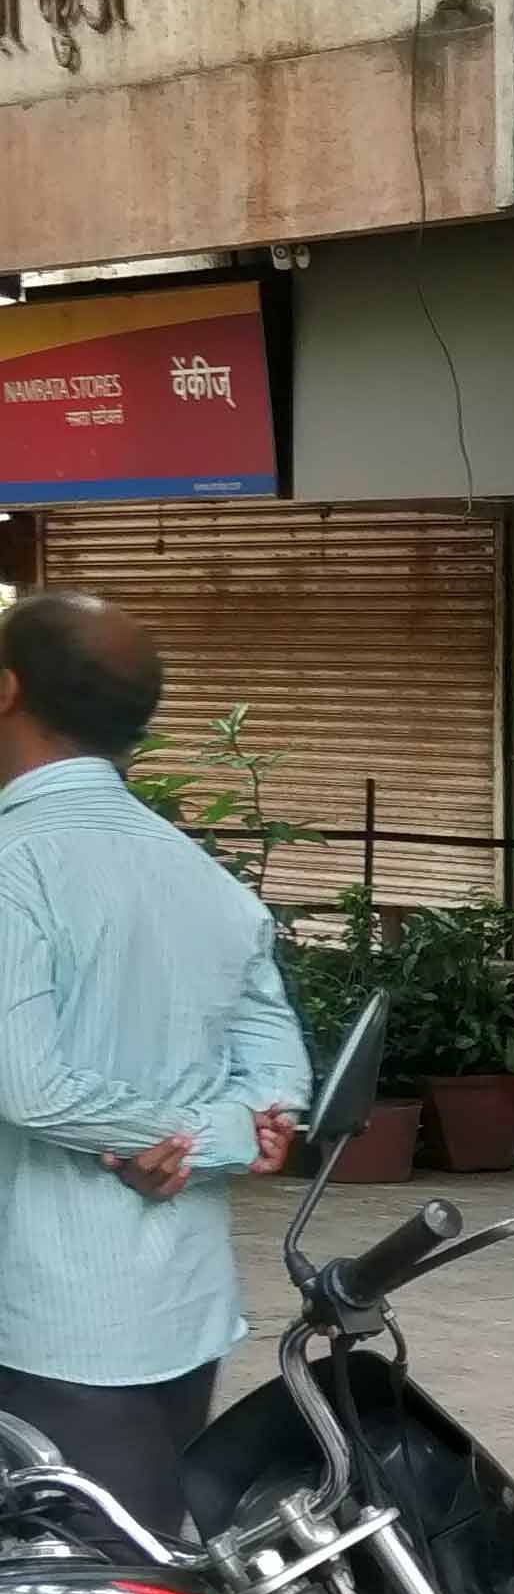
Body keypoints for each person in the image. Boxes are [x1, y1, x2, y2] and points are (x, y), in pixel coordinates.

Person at [0, 592, 310, 1528]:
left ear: (5, 690)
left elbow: (28, 1082)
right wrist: (200, 1133)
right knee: (143, 1570)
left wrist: (153, 1135)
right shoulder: (200, 876)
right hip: (182, 1309)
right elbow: (275, 1096)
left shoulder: (16, 863)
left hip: (48, 1320)